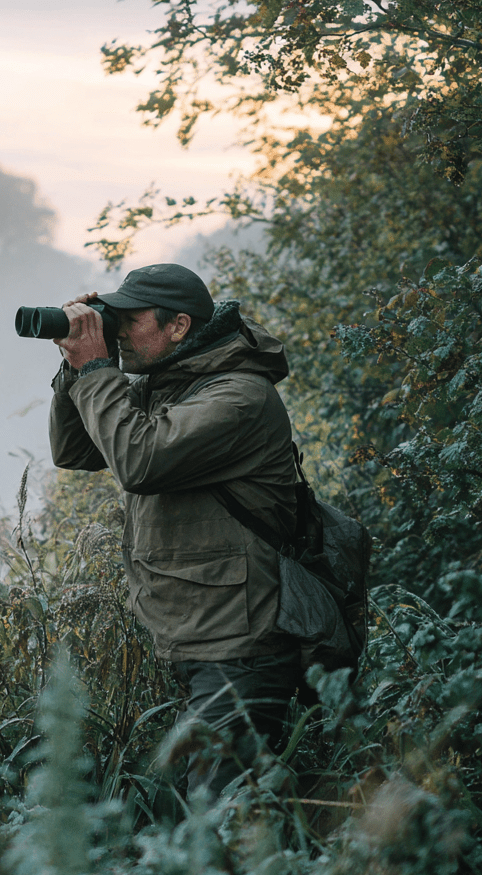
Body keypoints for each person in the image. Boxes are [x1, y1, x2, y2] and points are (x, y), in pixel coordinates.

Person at [48, 264, 302, 802]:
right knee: (198, 813)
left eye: (128, 320)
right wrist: (76, 369)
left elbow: (139, 461)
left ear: (179, 326)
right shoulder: (169, 388)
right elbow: (74, 451)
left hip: (240, 645)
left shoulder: (237, 398)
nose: (117, 332)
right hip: (199, 636)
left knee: (220, 821)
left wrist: (97, 367)